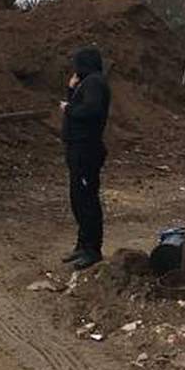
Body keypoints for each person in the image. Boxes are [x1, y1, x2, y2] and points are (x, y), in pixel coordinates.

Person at [59, 46, 111, 270]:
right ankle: (83, 244)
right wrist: (71, 92)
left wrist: (68, 108)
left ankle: (93, 250)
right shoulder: (88, 82)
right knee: (78, 198)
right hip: (78, 148)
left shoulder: (95, 83)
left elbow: (90, 111)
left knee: (87, 200)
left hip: (87, 149)